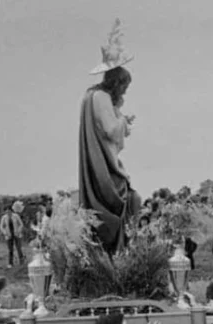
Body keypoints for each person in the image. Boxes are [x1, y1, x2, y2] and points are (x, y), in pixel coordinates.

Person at [79, 20, 141, 255]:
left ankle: (119, 253)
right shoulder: (101, 97)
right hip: (105, 170)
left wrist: (122, 118)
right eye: (124, 87)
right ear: (117, 82)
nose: (125, 92)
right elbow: (111, 130)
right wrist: (122, 121)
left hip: (98, 166)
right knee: (131, 200)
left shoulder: (92, 95)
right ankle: (122, 253)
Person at [0, 201, 26, 267]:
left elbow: (21, 224)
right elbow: (1, 227)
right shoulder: (4, 217)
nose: (7, 212)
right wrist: (5, 233)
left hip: (17, 234)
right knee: (10, 249)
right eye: (6, 211)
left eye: (9, 210)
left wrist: (19, 231)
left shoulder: (16, 216)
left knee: (18, 248)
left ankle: (21, 261)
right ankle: (10, 263)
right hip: (8, 235)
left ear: (11, 210)